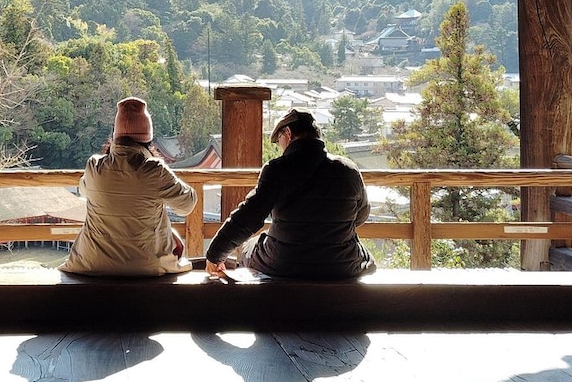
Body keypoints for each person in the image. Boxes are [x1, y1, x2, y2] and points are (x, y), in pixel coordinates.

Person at [205, 108, 376, 280]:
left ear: (288, 133)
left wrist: (215, 254)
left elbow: (249, 217)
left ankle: (256, 304)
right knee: (368, 260)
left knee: (248, 248)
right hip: (342, 264)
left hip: (284, 263)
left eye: (278, 140)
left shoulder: (277, 169)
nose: (280, 146)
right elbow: (361, 214)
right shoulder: (348, 169)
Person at [61, 97, 197, 276]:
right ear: (148, 138)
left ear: (115, 135)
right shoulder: (154, 169)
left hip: (91, 264)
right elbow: (186, 205)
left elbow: (85, 191)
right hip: (146, 266)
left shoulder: (94, 166)